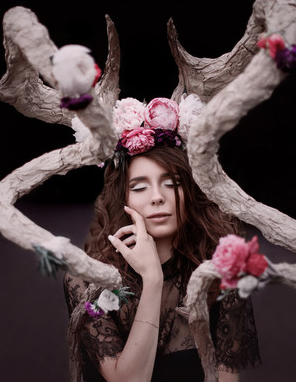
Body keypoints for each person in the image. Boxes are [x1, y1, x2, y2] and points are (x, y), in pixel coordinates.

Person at [63, 141, 261, 381]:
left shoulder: (221, 276)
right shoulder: (88, 281)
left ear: (192, 191)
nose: (157, 197)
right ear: (122, 198)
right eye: (139, 187)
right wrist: (153, 279)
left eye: (172, 183)